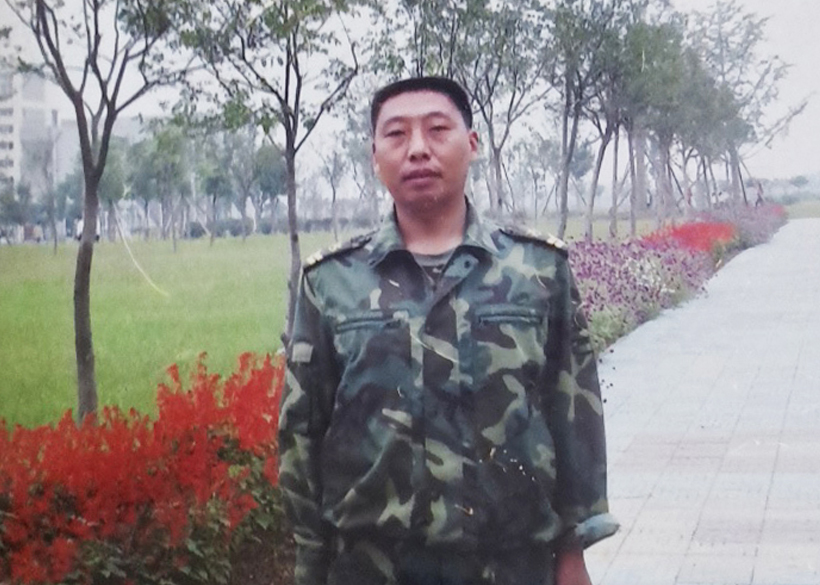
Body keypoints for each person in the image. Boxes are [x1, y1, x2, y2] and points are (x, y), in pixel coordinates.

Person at [278, 76, 618, 585]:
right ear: (374, 157)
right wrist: (311, 561)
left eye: (437, 129)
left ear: (472, 144)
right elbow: (302, 430)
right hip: (372, 566)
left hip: (513, 564)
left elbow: (573, 411)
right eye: (397, 134)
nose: (418, 149)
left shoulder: (537, 269)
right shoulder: (331, 281)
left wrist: (573, 552)